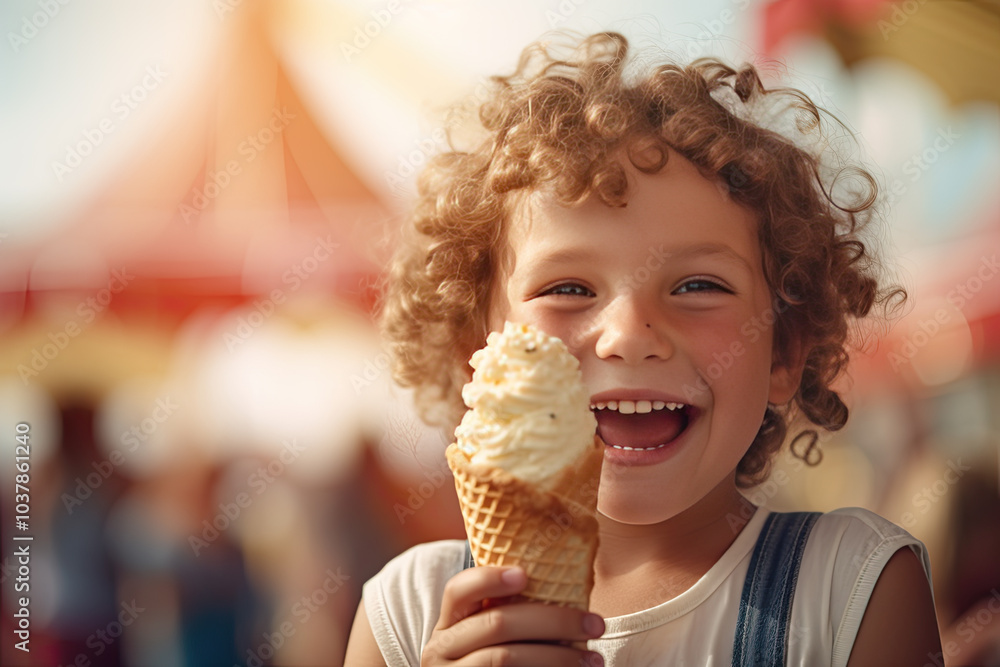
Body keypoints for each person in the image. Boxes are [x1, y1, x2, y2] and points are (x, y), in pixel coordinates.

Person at [344, 31, 942, 666]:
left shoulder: (851, 588)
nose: (629, 333)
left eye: (698, 285)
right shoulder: (405, 614)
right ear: (477, 356)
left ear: (784, 353)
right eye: (568, 287)